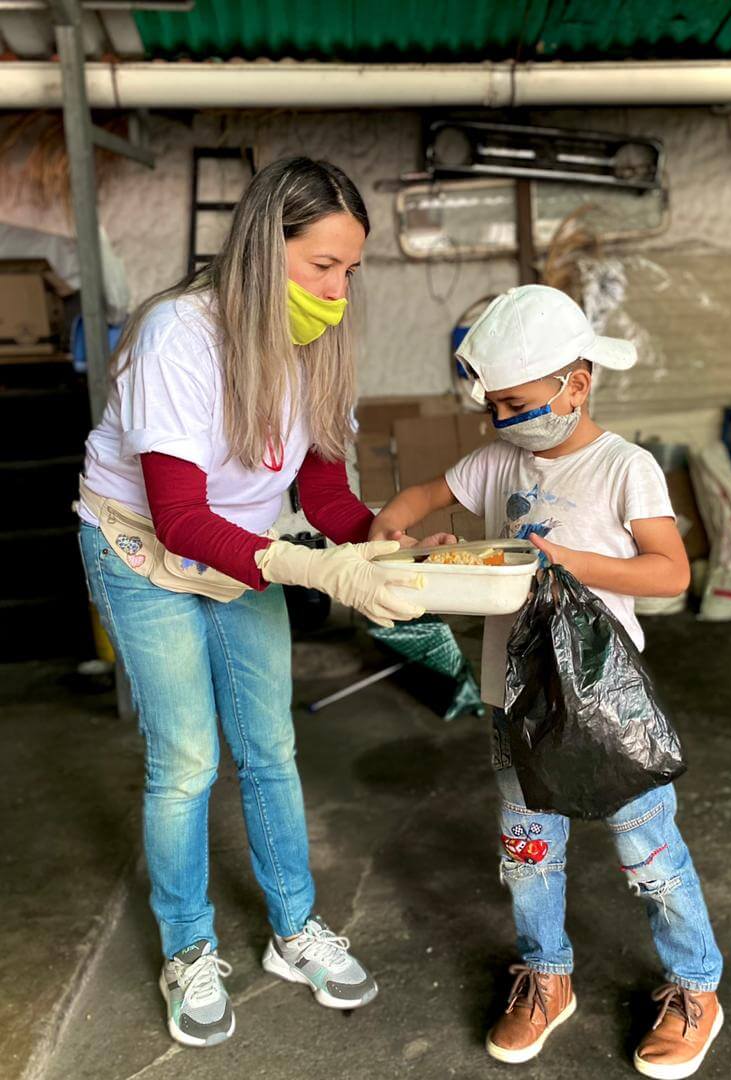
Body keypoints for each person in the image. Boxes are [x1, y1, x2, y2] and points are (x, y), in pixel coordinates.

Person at [76, 156, 435, 1048]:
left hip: (239, 542)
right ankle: (187, 946)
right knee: (187, 759)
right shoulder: (180, 335)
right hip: (141, 545)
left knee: (270, 744)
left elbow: (325, 492)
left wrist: (383, 542)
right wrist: (320, 571)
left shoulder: (316, 343)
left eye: (351, 270)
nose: (339, 291)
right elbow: (179, 519)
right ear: (262, 252)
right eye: (322, 266)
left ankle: (293, 929)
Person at [370, 285, 724, 1080]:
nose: (503, 420)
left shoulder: (624, 467)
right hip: (515, 700)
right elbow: (423, 497)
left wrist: (567, 562)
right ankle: (546, 975)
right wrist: (394, 530)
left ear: (577, 384)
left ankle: (697, 985)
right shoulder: (498, 460)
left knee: (649, 854)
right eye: (494, 406)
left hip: (602, 702)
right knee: (529, 852)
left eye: (516, 403)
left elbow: (669, 571)